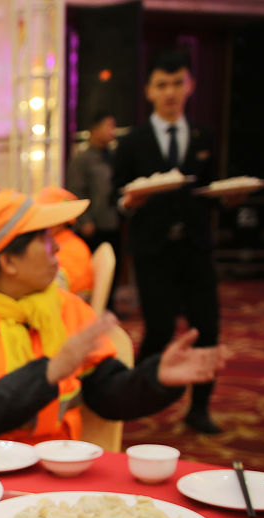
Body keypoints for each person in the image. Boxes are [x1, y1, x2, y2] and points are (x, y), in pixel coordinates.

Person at [0, 190, 224, 444]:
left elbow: (106, 394)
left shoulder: (64, 306)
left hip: (46, 468)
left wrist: (156, 378)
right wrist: (48, 372)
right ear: (8, 262)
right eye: (44, 239)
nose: (57, 247)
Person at [113, 49, 228, 435]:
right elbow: (117, 199)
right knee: (159, 329)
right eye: (162, 85)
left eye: (178, 83)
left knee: (207, 329)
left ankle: (200, 408)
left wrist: (227, 198)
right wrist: (130, 202)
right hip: (153, 250)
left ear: (190, 86)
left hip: (196, 248)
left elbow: (212, 189)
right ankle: (131, 396)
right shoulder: (133, 142)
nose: (170, 92)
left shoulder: (203, 136)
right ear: (149, 90)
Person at [65, 111, 119, 262]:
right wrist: (85, 220)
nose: (112, 131)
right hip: (93, 226)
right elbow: (76, 191)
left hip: (113, 222)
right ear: (94, 129)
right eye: (108, 126)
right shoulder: (82, 159)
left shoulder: (114, 156)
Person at [36, 186, 93, 298]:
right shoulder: (58, 242)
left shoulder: (73, 249)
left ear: (62, 220)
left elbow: (56, 287)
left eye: (46, 214)